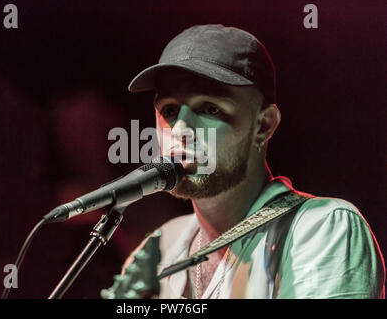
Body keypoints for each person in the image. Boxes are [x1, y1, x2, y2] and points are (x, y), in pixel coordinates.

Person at [117, 24, 385, 299]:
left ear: (263, 125)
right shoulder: (160, 247)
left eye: (210, 108)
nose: (181, 129)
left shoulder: (322, 227)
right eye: (170, 110)